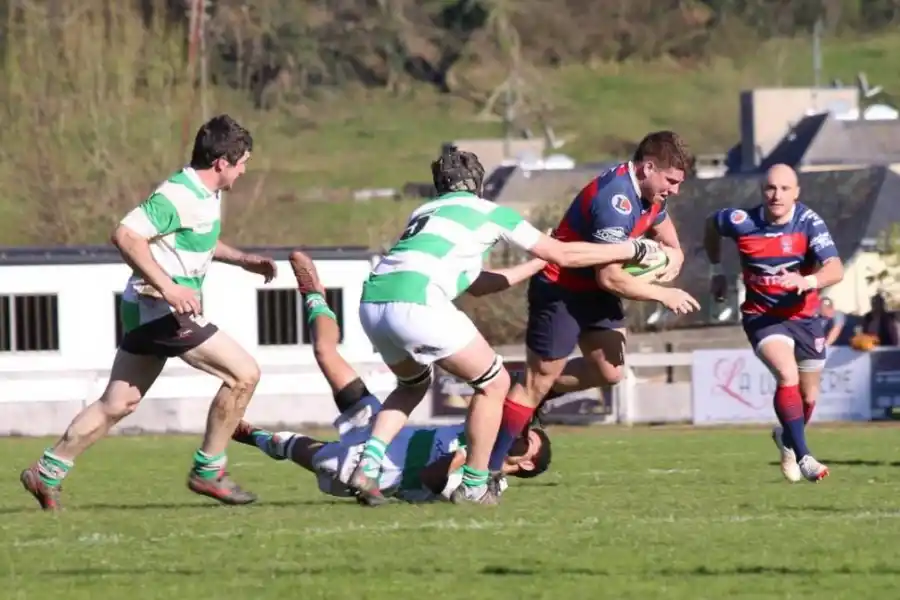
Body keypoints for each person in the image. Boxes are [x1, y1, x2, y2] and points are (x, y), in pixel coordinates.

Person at [348, 145, 671, 506]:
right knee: (495, 383)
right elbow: (563, 253)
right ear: (478, 184)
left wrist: (533, 265)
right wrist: (634, 250)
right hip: (418, 301)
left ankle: (368, 466)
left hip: (372, 302)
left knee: (411, 386)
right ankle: (474, 483)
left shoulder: (423, 212)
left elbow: (480, 284)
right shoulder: (490, 212)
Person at [20, 115, 278, 511]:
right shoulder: (178, 193)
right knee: (244, 374)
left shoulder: (205, 195)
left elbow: (198, 238)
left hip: (145, 309)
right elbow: (126, 234)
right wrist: (168, 286)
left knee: (118, 403)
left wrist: (242, 259)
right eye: (242, 162)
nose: (244, 170)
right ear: (222, 163)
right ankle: (209, 470)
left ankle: (47, 471)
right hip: (160, 309)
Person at [232, 251, 552, 503]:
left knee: (293, 447)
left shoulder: (489, 485)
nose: (517, 435)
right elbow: (504, 402)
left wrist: (467, 458)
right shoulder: (490, 433)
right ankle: (314, 296)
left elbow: (431, 480)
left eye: (525, 440)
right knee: (325, 354)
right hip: (383, 430)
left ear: (525, 463)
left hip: (383, 473)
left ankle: (257, 438)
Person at [485, 131, 700, 473]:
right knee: (539, 381)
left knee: (609, 371)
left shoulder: (651, 191)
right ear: (647, 168)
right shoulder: (616, 201)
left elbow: (662, 227)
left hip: (594, 290)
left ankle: (526, 393)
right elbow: (610, 277)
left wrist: (677, 255)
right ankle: (487, 470)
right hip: (562, 289)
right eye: (671, 181)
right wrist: (663, 293)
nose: (675, 189)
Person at [703, 163, 844, 483]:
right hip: (762, 316)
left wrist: (806, 281)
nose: (776, 195)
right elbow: (712, 224)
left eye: (784, 189)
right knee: (786, 373)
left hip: (805, 318)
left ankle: (786, 437)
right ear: (761, 191)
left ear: (796, 193)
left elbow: (835, 269)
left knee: (808, 398)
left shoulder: (808, 223)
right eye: (770, 188)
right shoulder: (741, 221)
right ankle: (805, 455)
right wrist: (716, 271)